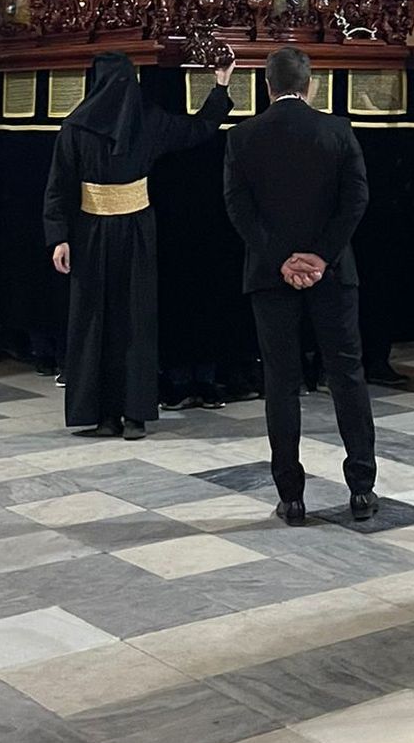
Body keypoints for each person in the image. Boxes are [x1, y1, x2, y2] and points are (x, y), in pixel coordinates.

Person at [43, 48, 233, 439]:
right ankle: (134, 416)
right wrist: (221, 86)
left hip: (90, 233)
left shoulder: (75, 127)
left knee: (95, 320)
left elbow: (58, 188)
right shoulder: (149, 121)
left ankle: (104, 415)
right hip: (137, 232)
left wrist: (59, 238)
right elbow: (200, 128)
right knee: (135, 319)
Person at [223, 45, 377, 524]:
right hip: (333, 275)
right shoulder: (336, 130)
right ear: (310, 85)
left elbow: (238, 207)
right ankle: (362, 489)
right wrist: (323, 256)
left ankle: (291, 496)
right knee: (348, 376)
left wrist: (281, 259)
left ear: (266, 86)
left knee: (281, 383)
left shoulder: (243, 136)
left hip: (271, 277)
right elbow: (356, 199)